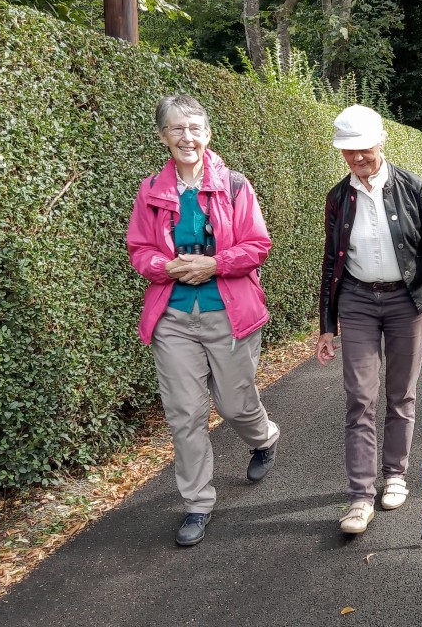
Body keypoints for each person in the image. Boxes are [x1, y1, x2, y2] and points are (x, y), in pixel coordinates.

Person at [126, 95, 279, 546]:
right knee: (185, 415)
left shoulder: (234, 185)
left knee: (233, 405)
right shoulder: (151, 189)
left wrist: (214, 265)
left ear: (207, 133)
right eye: (176, 129)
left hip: (229, 314)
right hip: (173, 317)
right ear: (162, 136)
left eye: (194, 128)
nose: (186, 137)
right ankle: (197, 503)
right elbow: (139, 250)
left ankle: (264, 436)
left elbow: (257, 246)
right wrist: (163, 267)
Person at [317, 104, 422, 535]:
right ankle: (359, 496)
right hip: (356, 300)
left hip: (405, 301)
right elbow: (330, 262)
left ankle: (394, 474)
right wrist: (326, 324)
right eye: (348, 151)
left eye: (364, 149)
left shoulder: (413, 187)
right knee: (359, 396)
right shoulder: (338, 197)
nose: (357, 158)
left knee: (400, 394)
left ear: (381, 142)